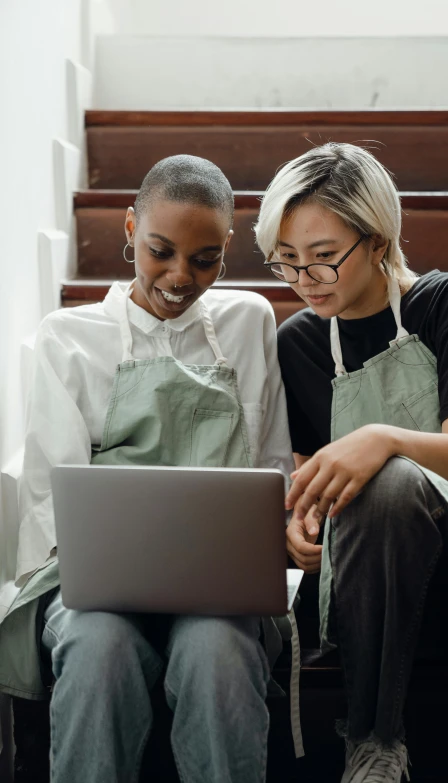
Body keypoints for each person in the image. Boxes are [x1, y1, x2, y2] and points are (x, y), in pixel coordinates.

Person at [0, 155, 294, 783]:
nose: (179, 276)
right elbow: (50, 497)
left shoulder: (250, 323)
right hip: (96, 593)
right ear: (130, 227)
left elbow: (272, 467)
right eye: (160, 250)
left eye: (205, 259)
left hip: (222, 590)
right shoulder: (67, 337)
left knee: (218, 652)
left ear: (228, 247)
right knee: (97, 645)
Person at [254, 142, 448, 783]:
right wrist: (301, 527)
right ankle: (373, 742)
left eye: (323, 258)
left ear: (378, 242)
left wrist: (381, 436)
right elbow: (306, 480)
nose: (303, 280)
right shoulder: (299, 343)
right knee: (384, 487)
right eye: (285, 261)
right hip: (385, 579)